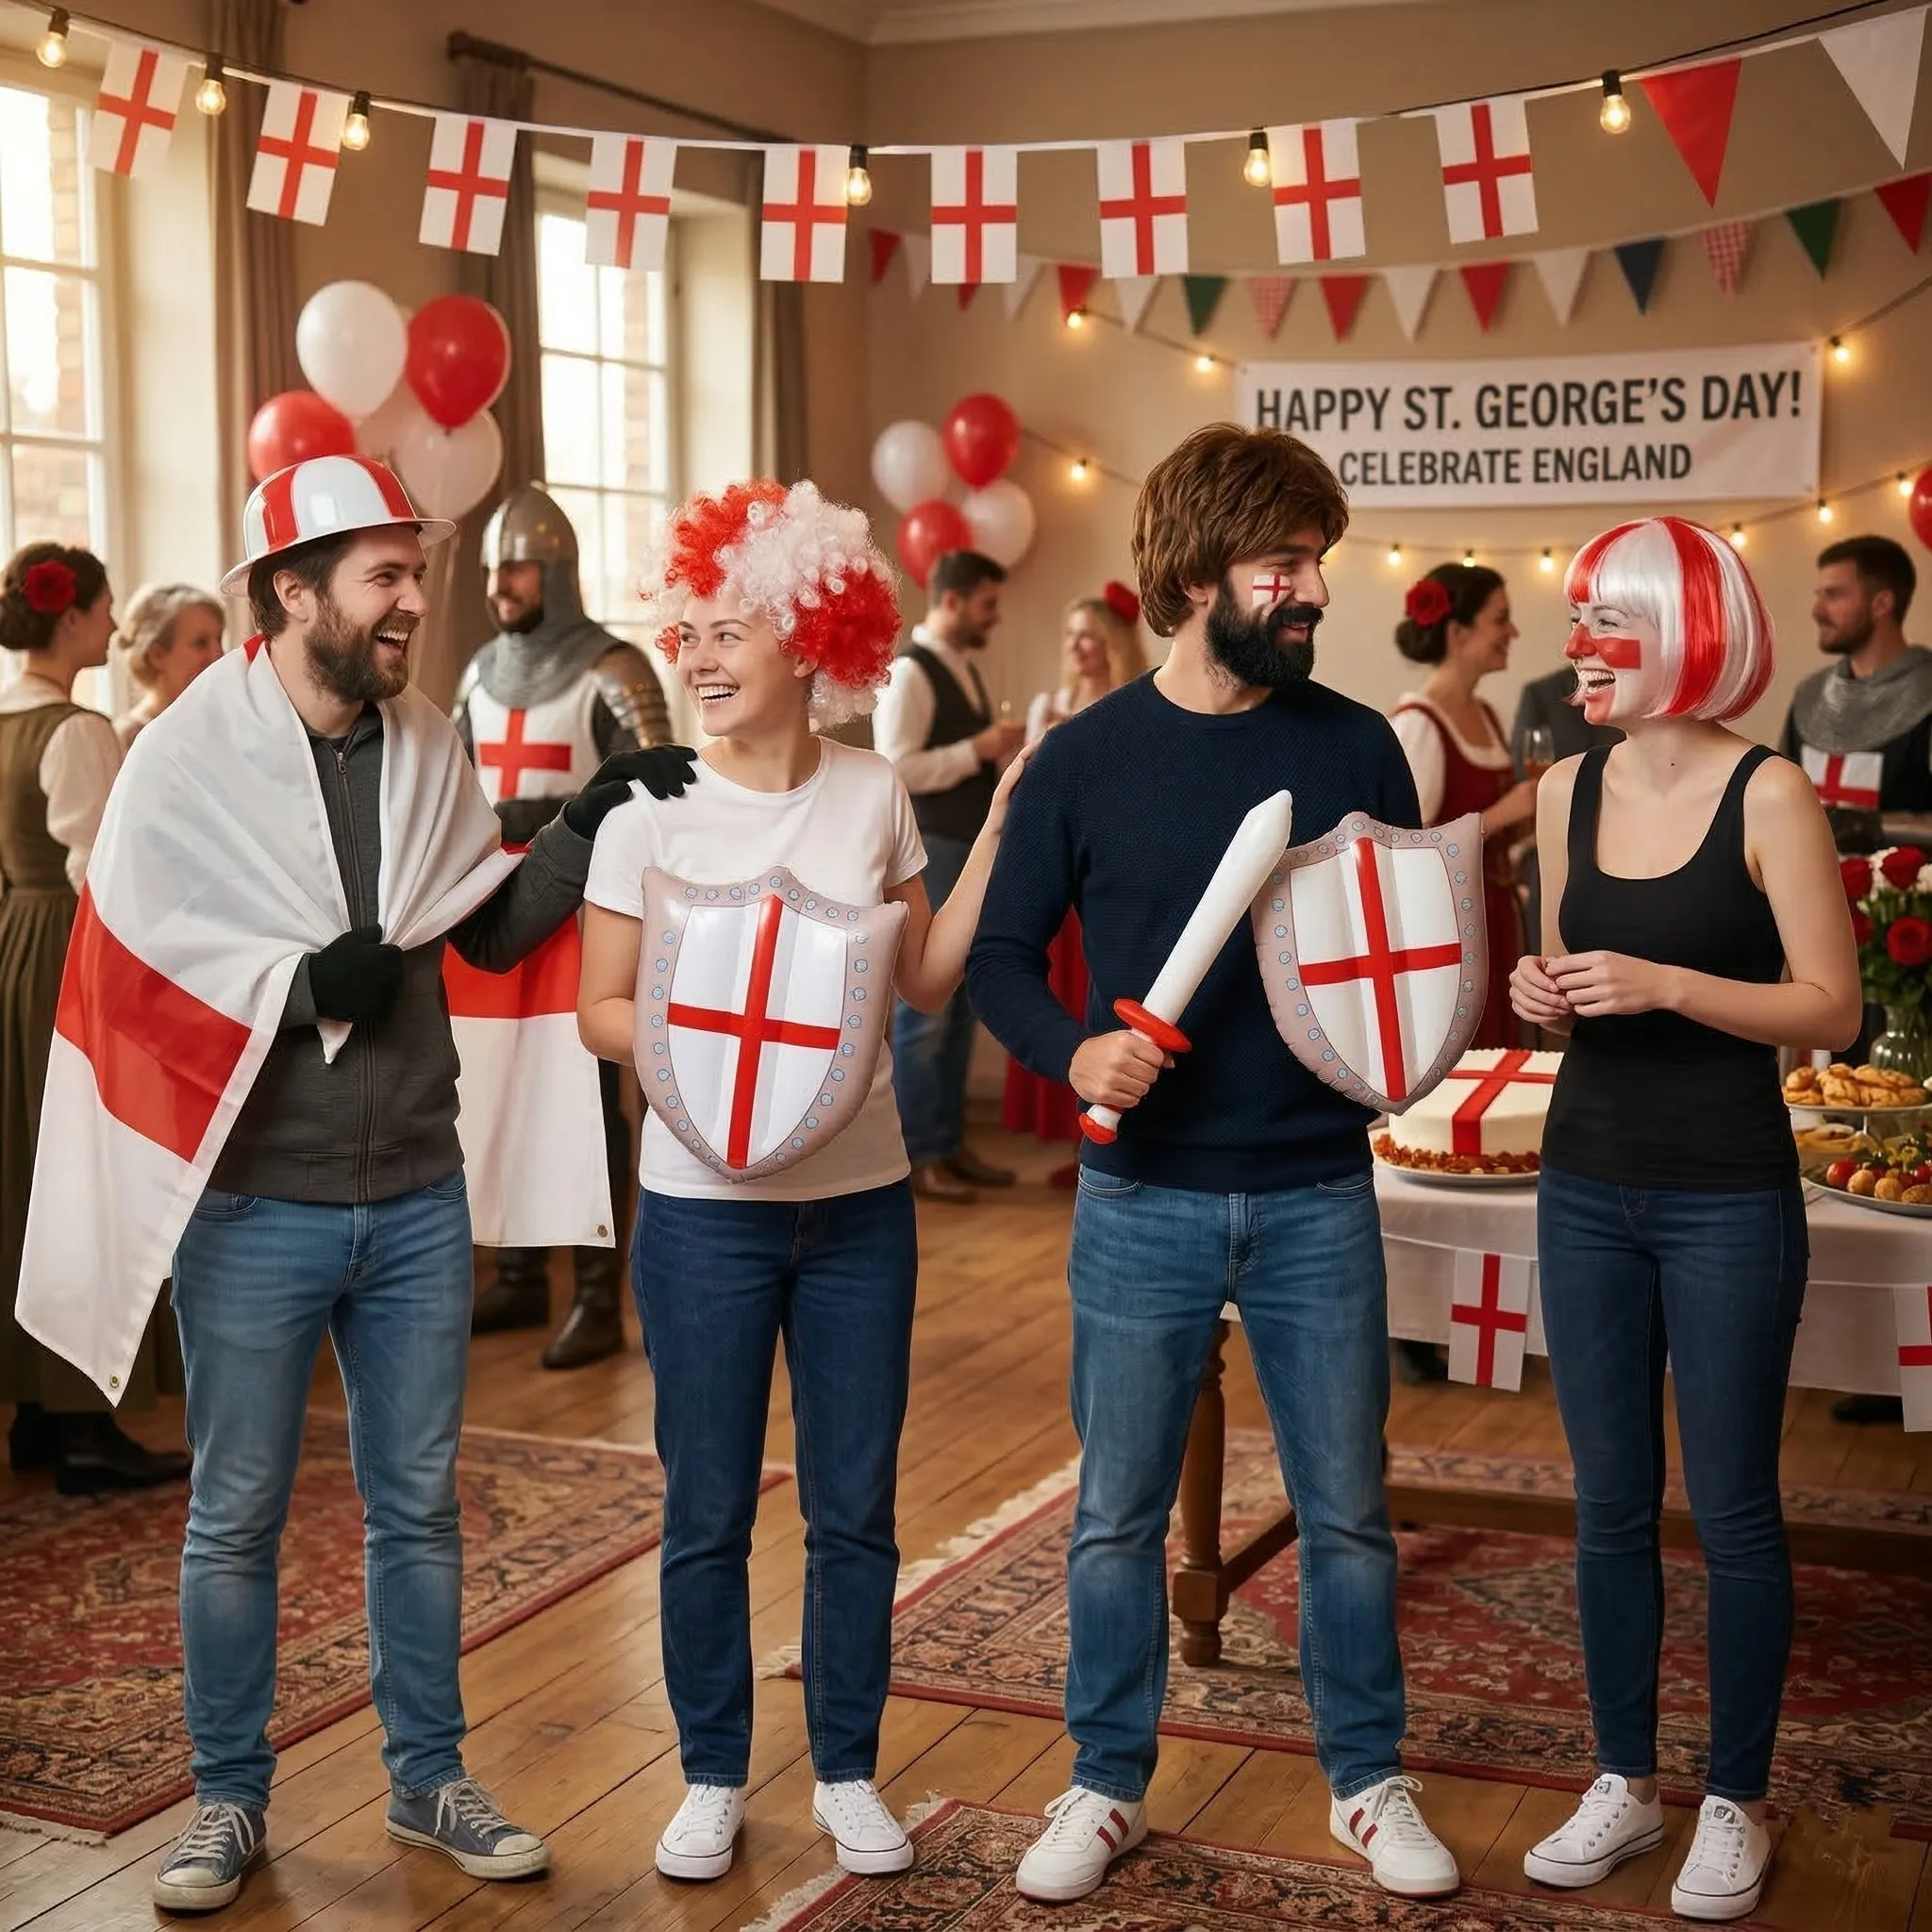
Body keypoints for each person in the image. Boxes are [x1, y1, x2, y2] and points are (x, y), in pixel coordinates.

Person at [15, 456, 695, 1914]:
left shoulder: (427, 738)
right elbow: (133, 962)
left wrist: (590, 819)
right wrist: (287, 977)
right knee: (235, 1513)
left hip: (414, 1198)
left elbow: (490, 930)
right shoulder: (183, 758)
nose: (414, 601)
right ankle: (226, 1802)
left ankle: (428, 1777)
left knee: (418, 1506)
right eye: (384, 575)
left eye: (417, 572)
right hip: (255, 1202)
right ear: (292, 589)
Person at [968, 424, 1458, 1906]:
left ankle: (1369, 1782)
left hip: (1317, 1189)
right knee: (1117, 1513)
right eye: (1284, 565)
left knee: (1350, 1507)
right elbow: (994, 959)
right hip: (1141, 1205)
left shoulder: (1358, 745)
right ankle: (1103, 1783)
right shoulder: (1084, 760)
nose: (1314, 590)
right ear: (1192, 579)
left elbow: (1400, 964)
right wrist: (1071, 1054)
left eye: (1318, 561)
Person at [575, 480, 1026, 1885]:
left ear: (811, 639)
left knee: (855, 1504)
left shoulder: (873, 793)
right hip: (701, 1214)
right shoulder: (649, 812)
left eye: (731, 631)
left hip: (858, 1210)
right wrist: (703, 1078)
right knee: (704, 1504)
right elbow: (599, 1008)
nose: (699, 658)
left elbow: (927, 979)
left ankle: (845, 1769)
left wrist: (1007, 816)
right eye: (688, 631)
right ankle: (712, 1773)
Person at [1512, 516, 1859, 1924]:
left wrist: (1667, 985)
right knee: (1605, 1509)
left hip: (1727, 1191)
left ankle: (1736, 1798)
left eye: (1610, 622)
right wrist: (1545, 991)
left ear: (1688, 635)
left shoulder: (1774, 794)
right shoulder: (1561, 789)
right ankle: (1623, 1780)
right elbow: (1559, 964)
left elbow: (1832, 1009)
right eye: (1578, 620)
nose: (1579, 648)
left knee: (1731, 1511)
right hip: (1581, 1181)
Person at [457, 483, 675, 1370]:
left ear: (554, 570)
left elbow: (659, 794)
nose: (502, 584)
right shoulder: (475, 672)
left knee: (586, 1103)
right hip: (498, 904)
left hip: (586, 907)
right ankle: (513, 1272)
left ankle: (594, 1291)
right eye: (493, 569)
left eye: (516, 567)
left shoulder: (615, 669)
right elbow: (459, 787)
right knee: (502, 1084)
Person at [2, 543, 192, 1495]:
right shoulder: (75, 730)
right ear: (71, 618)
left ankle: (37, 1410)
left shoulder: (5, 721)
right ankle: (81, 1418)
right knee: (78, 1173)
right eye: (102, 607)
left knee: (26, 1175)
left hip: (11, 948)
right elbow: (104, 878)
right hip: (67, 960)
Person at [1779, 535, 1924, 1427]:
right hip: (1824, 929)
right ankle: (1857, 1344)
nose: (1818, 608)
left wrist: (1862, 824)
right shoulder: (1805, 699)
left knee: (1907, 1133)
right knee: (1838, 1133)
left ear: (1881, 602)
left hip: (1910, 939)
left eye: (1833, 593)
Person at [873, 548, 1024, 1202]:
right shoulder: (911, 672)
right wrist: (978, 750)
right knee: (926, 1013)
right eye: (987, 604)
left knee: (963, 1005)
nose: (994, 617)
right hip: (930, 849)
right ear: (955, 600)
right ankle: (918, 1153)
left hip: (965, 847)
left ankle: (949, 1142)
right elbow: (895, 767)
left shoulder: (961, 666)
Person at [1004, 583, 1146, 1180]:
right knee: (1058, 996)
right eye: (1072, 636)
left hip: (1112, 867)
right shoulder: (1048, 706)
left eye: (1090, 634)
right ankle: (1070, 1135)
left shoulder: (1135, 707)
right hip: (1057, 866)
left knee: (1101, 994)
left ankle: (1107, 1126)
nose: (1079, 646)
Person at [1389, 563, 1538, 1052]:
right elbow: (1405, 852)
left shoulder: (1488, 715)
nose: (1512, 631)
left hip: (1495, 917)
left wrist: (1531, 821)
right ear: (1458, 631)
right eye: (1501, 618)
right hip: (1445, 930)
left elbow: (1493, 835)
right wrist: (1506, 812)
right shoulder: (1417, 726)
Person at [112, 581, 226, 748]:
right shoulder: (128, 740)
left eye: (219, 640)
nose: (219, 654)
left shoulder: (221, 727)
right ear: (156, 656)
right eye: (201, 643)